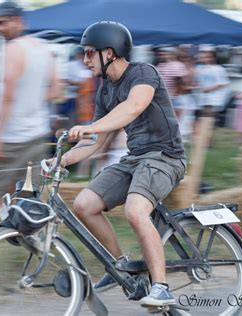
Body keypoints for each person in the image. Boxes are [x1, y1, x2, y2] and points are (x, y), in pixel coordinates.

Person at [56, 21, 186, 307]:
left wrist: (90, 127)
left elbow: (133, 107)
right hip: (136, 159)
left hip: (165, 157)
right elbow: (98, 141)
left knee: (135, 210)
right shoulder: (104, 91)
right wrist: (60, 160)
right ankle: (123, 269)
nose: (85, 59)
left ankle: (162, 287)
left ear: (110, 52)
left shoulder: (143, 73)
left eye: (90, 53)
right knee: (84, 205)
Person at [0, 1, 60, 237]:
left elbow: (7, 94)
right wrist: (31, 104)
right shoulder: (43, 48)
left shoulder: (11, 50)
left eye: (1, 22)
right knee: (27, 194)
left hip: (11, 136)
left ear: (18, 22)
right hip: (36, 135)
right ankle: (33, 244)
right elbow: (56, 90)